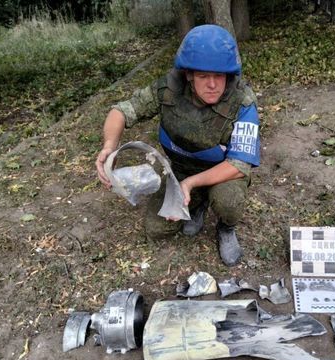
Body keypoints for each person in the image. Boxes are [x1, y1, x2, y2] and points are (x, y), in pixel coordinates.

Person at [96, 24, 260, 267]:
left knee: (229, 201)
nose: (212, 84)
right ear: (189, 75)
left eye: (219, 76)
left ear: (229, 75)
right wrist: (109, 146)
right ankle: (199, 202)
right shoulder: (168, 90)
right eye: (203, 76)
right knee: (156, 229)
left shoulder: (242, 103)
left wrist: (190, 183)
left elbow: (239, 164)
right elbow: (121, 111)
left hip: (222, 173)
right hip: (180, 169)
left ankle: (226, 228)